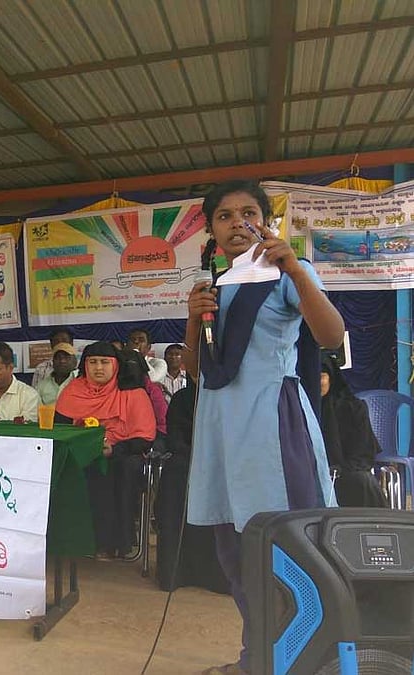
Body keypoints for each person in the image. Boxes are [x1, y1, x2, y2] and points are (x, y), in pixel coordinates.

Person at [185, 179, 345, 675]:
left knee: (286, 547)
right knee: (235, 553)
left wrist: (296, 270)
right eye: (225, 217)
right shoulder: (215, 285)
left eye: (248, 213)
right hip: (220, 430)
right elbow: (196, 370)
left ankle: (303, 658)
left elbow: (331, 335)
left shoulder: (284, 275)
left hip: (270, 425)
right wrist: (192, 320)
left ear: (266, 221)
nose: (238, 224)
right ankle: (257, 657)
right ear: (211, 230)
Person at [55, 341, 156, 559]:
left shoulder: (133, 393)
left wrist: (115, 449)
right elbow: (60, 428)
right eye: (92, 362)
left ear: (116, 365)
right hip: (79, 453)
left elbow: (144, 438)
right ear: (85, 365)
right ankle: (72, 541)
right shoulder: (72, 391)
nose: (98, 368)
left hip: (122, 452)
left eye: (104, 362)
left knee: (121, 469)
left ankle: (113, 542)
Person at [155, 376, 230, 594]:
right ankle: (176, 572)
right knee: (175, 477)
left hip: (225, 462)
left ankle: (221, 574)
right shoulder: (182, 398)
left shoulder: (232, 398)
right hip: (188, 459)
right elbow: (175, 438)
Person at [319, 355, 388, 507]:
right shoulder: (299, 408)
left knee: (362, 481)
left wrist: (340, 470)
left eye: (322, 376)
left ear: (331, 378)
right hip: (311, 472)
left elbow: (363, 453)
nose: (317, 383)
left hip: (347, 471)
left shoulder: (353, 407)